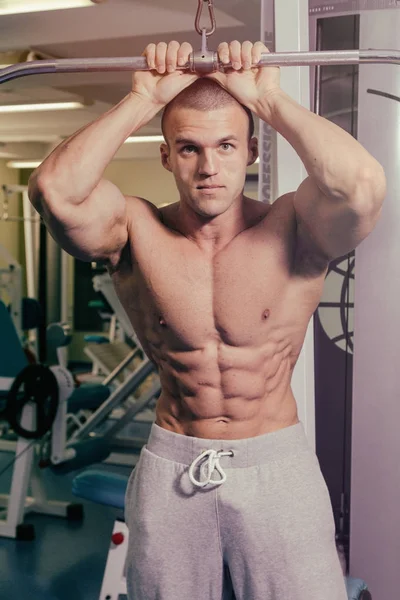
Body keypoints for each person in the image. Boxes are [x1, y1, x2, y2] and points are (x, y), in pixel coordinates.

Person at [28, 40, 385, 600]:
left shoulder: (296, 226)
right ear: (167, 156)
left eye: (225, 145)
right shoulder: (135, 230)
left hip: (276, 465)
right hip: (173, 465)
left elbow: (360, 185)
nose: (209, 167)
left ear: (250, 152)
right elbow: (56, 192)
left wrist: (267, 101)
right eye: (189, 148)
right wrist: (143, 98)